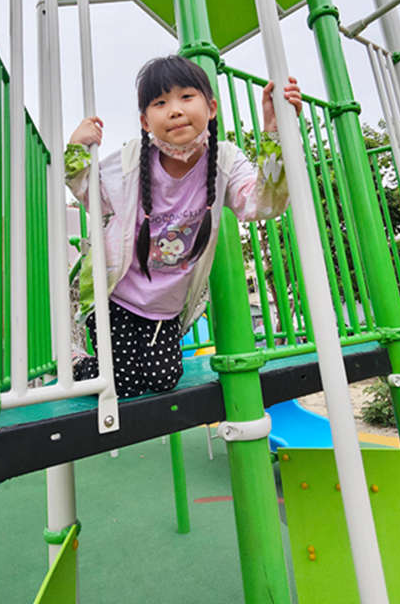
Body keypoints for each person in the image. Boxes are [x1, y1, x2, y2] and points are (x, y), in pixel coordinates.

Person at [65, 55, 301, 398]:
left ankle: (113, 364)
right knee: (123, 382)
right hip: (117, 293)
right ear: (146, 121)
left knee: (163, 379)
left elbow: (263, 204)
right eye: (160, 103)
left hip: (167, 304)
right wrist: (76, 147)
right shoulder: (131, 160)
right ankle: (77, 363)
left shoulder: (225, 159)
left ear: (212, 107)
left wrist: (276, 134)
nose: (174, 110)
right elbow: (90, 194)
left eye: (186, 97)